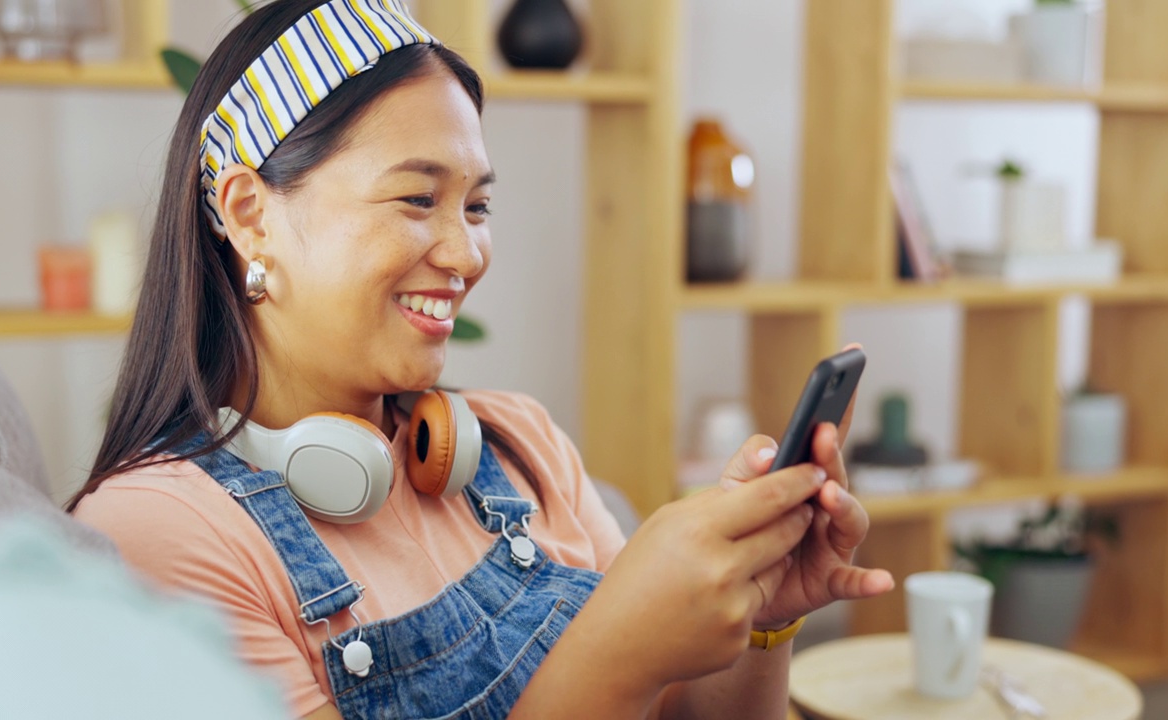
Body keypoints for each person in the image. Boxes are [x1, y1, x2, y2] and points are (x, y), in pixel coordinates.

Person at [68, 1, 894, 718]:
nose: (466, 254)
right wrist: (618, 654)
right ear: (250, 215)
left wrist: (761, 620)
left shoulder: (515, 441)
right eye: (417, 199)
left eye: (478, 205)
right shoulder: (153, 535)